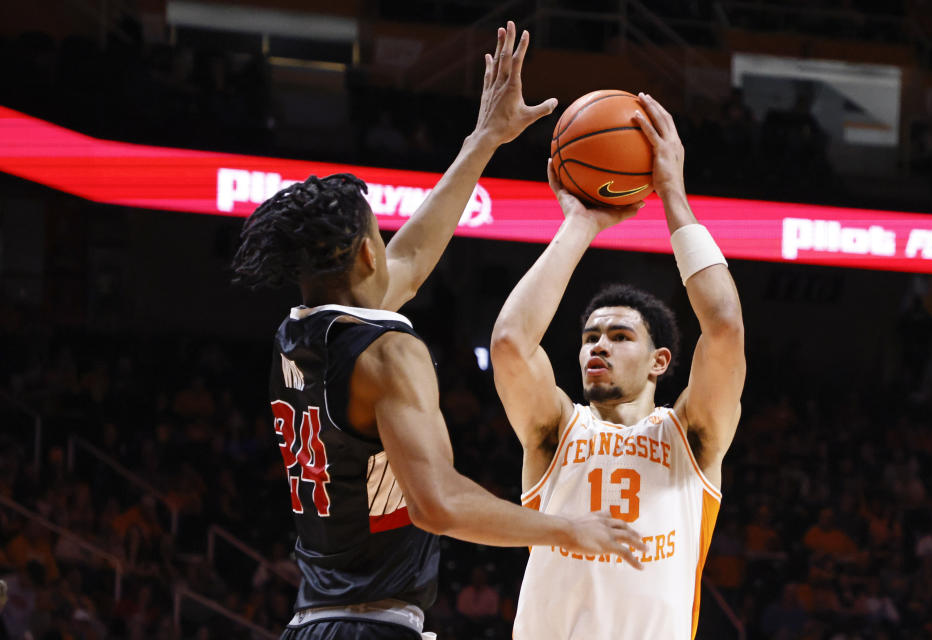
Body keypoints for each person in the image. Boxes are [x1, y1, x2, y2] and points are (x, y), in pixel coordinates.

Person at [231, 22, 644, 640]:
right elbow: (438, 504)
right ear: (367, 256)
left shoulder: (301, 331)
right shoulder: (387, 354)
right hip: (370, 627)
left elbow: (414, 261)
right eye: (380, 235)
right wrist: (568, 528)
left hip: (316, 620)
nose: (391, 246)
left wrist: (484, 140)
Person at [491, 92, 746, 639]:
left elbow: (724, 326)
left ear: (660, 361)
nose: (597, 347)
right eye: (589, 337)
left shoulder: (691, 438)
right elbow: (511, 342)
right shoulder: (557, 429)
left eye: (618, 335)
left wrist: (673, 192)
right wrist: (580, 225)